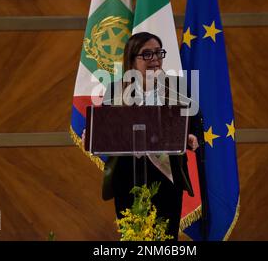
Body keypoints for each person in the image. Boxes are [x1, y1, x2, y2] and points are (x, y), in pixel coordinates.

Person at [83, 32, 204, 240]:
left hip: (167, 178)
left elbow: (194, 123)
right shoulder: (116, 90)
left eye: (158, 53)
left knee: (165, 239)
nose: (155, 59)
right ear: (132, 59)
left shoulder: (177, 87)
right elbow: (107, 130)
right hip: (127, 179)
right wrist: (93, 136)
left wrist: (193, 137)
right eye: (147, 54)